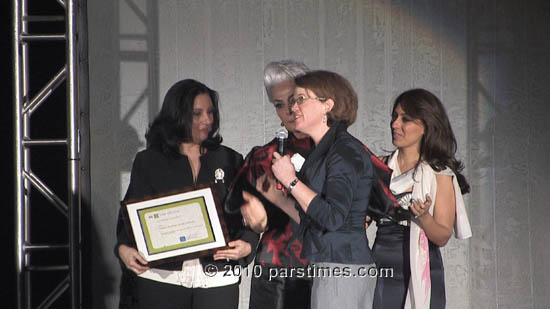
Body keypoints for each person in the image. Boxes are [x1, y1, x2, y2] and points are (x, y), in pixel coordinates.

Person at [114, 79, 258, 309]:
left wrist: (248, 246)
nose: (207, 120)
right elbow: (130, 219)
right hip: (161, 276)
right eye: (197, 113)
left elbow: (251, 217)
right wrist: (123, 249)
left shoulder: (231, 159)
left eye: (210, 112)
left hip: (218, 276)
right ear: (177, 116)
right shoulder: (148, 161)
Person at [260, 70, 377, 309]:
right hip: (330, 265)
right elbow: (313, 216)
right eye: (292, 101)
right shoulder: (323, 152)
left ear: (327, 105)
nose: (293, 107)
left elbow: (333, 217)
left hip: (342, 267)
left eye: (301, 99)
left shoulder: (343, 151)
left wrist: (292, 181)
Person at [224, 60, 315, 309]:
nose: (288, 110)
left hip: (322, 268)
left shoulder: (335, 152)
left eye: (295, 99)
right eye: (278, 104)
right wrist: (255, 221)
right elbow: (239, 210)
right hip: (273, 268)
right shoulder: (263, 156)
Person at [372, 88, 472, 308]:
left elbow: (442, 237)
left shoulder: (440, 174)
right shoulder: (379, 166)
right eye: (394, 117)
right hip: (381, 266)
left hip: (422, 266)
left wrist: (424, 216)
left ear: (426, 126)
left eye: (405, 119)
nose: (395, 124)